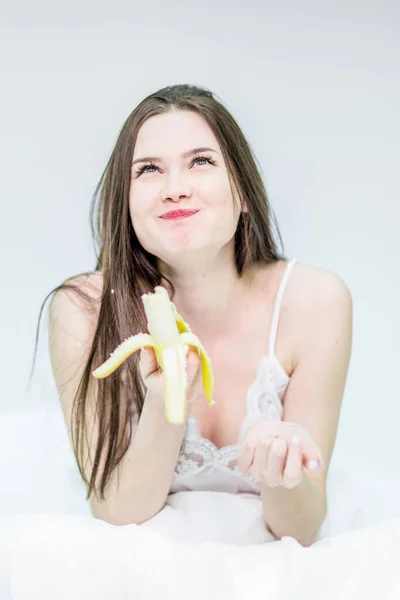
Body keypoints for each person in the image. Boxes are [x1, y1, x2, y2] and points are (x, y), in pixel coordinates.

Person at [39, 83, 352, 548]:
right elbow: (115, 513)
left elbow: (301, 529)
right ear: (125, 205)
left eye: (201, 161)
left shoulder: (316, 301)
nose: (175, 189)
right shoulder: (81, 310)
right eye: (148, 169)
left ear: (244, 192)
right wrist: (168, 401)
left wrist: (281, 469)